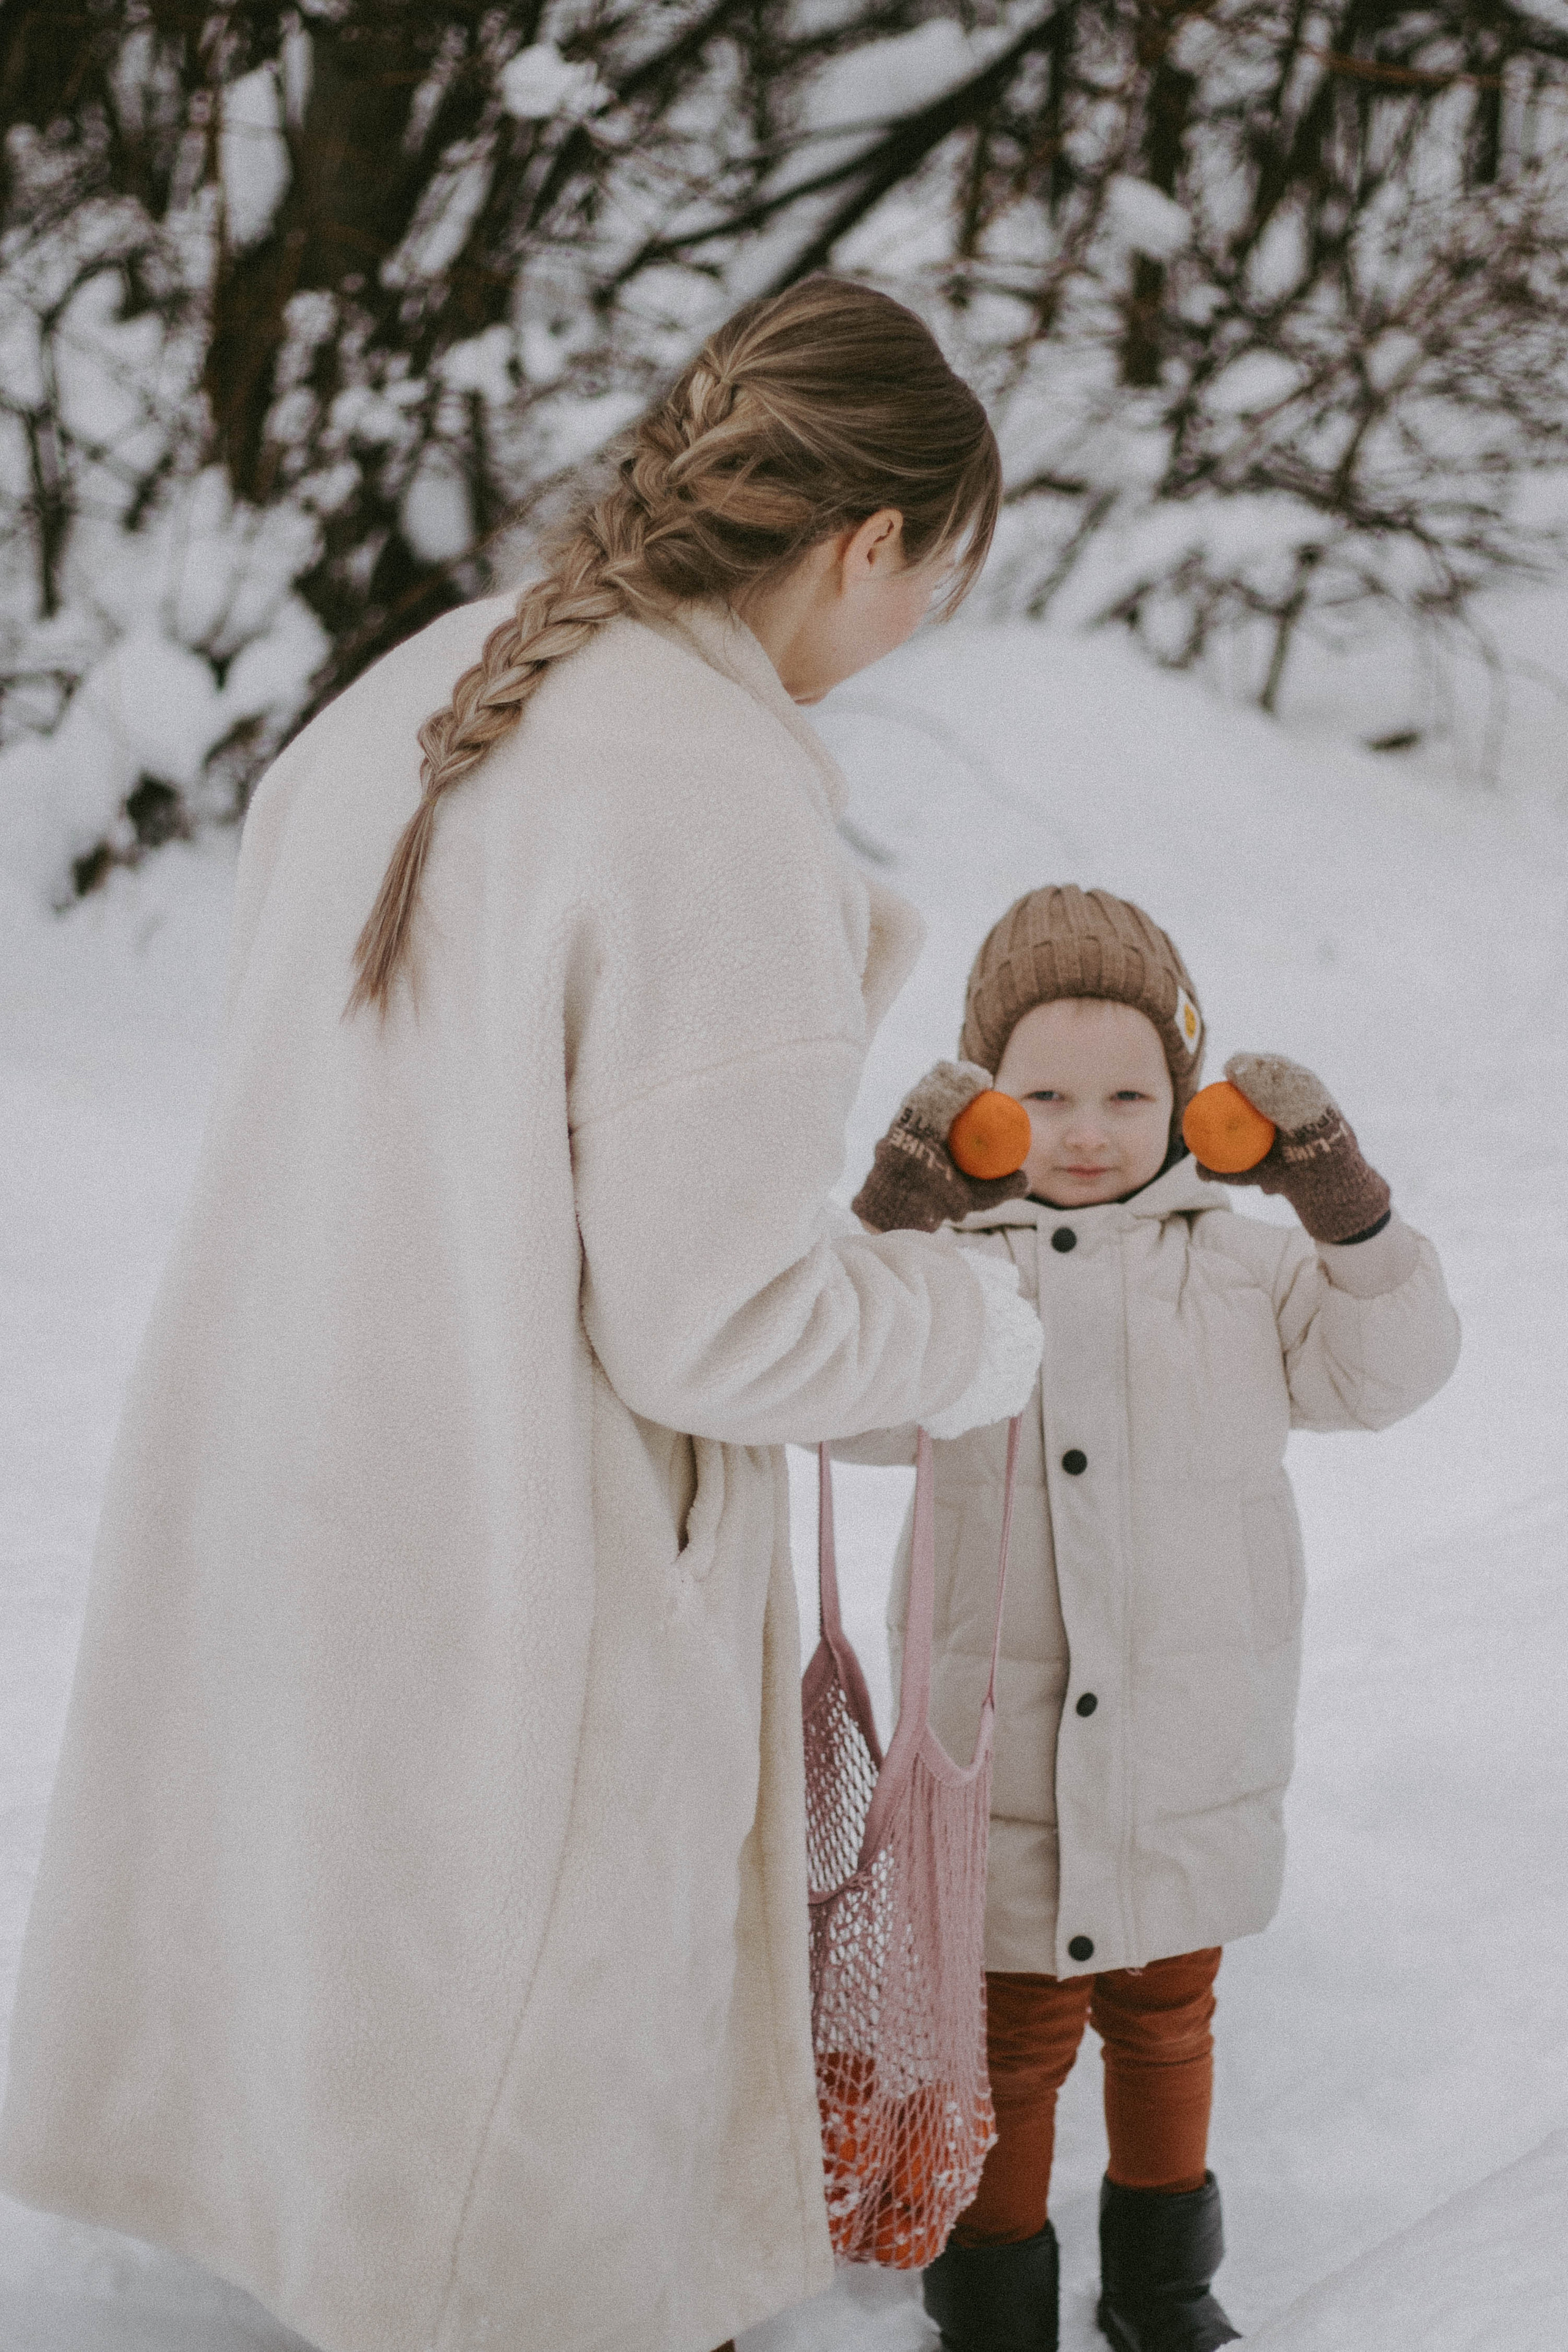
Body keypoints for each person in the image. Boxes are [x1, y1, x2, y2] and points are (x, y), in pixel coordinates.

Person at [0, 281, 1045, 2352]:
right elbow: (718, 1325)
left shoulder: (423, 688)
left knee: (348, 1995)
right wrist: (969, 1325)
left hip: (293, 1465)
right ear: (868, 545)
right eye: (938, 578)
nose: (918, 627)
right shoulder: (714, 802)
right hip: (519, 1544)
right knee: (529, 2147)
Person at [847, 884, 1461, 2352]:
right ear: (979, 1105)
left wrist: (1345, 1207)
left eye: (1128, 1092)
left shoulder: (1247, 1270)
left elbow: (1392, 1375)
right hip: (995, 1754)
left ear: (1192, 1104)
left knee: (1166, 2015)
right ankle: (990, 2299)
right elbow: (835, 1393)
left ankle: (1163, 2289)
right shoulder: (949, 1279)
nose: (1085, 1128)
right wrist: (892, 1217)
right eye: (1040, 1093)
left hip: (1189, 1743)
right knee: (1008, 2038)